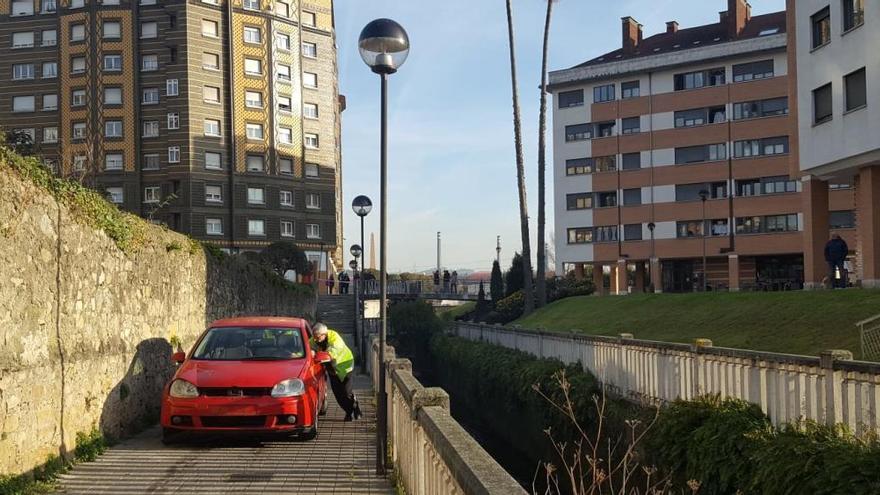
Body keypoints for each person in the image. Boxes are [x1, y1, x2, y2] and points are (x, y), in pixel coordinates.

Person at [311, 323, 361, 421]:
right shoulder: (315, 339)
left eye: (317, 337)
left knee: (346, 392)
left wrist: (318, 355)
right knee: (338, 395)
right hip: (332, 370)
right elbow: (308, 346)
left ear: (324, 334)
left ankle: (353, 408)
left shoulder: (334, 338)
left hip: (345, 367)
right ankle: (349, 411)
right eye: (314, 337)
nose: (315, 340)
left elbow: (332, 352)